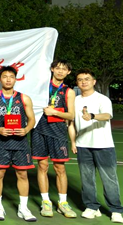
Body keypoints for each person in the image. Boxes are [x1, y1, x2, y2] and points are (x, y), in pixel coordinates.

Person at [68, 69, 123, 224]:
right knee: (87, 179)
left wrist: (92, 116)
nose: (83, 82)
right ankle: (92, 207)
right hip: (82, 145)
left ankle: (116, 210)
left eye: (87, 79)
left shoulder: (102, 99)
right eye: (80, 79)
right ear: (77, 83)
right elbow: (71, 124)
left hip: (103, 145)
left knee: (109, 179)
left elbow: (107, 115)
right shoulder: (74, 101)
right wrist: (73, 142)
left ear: (94, 81)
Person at [0, 65, 36, 222]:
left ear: (15, 79)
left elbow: (32, 119)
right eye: (5, 77)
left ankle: (23, 208)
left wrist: (26, 129)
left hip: (20, 143)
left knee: (22, 174)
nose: (8, 79)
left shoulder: (24, 98)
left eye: (11, 77)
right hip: (0, 142)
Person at [31, 59, 77, 218]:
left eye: (64, 69)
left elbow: (71, 115)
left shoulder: (69, 92)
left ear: (68, 72)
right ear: (52, 69)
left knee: (60, 168)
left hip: (58, 131)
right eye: (57, 68)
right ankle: (46, 201)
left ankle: (63, 203)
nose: (60, 71)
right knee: (42, 166)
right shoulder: (41, 89)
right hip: (39, 130)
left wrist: (55, 112)